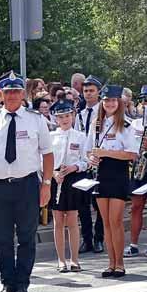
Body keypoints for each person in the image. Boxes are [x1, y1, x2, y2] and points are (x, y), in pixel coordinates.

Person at [0, 71, 54, 292]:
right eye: (7, 92)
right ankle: (7, 283)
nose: (12, 96)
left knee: (27, 236)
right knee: (2, 238)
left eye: (16, 92)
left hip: (27, 185)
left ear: (23, 94)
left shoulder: (35, 119)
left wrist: (46, 184)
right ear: (2, 95)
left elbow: (47, 155)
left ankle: (22, 284)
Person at [86, 84, 138, 278]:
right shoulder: (96, 124)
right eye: (106, 100)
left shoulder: (126, 125)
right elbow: (89, 149)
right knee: (105, 222)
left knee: (115, 221)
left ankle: (120, 264)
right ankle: (110, 263)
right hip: (101, 173)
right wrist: (91, 158)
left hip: (118, 173)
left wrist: (106, 153)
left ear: (119, 103)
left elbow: (132, 154)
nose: (109, 103)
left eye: (113, 100)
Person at [49, 99, 89, 273]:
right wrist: (53, 173)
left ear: (73, 116)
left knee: (72, 220)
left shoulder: (80, 137)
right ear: (56, 119)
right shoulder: (50, 137)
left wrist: (75, 167)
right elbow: (43, 160)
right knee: (58, 221)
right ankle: (60, 259)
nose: (65, 119)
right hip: (56, 178)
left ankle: (74, 259)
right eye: (61, 117)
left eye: (67, 115)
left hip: (73, 178)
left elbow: (87, 161)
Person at [126, 86, 147, 258]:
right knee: (136, 206)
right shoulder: (135, 123)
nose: (144, 103)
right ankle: (133, 244)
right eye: (142, 100)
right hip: (139, 166)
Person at [75, 75, 105, 254]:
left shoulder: (104, 112)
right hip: (83, 163)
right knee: (82, 204)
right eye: (85, 91)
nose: (88, 94)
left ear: (98, 92)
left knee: (99, 202)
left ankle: (98, 237)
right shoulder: (79, 113)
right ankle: (86, 239)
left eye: (91, 90)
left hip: (99, 161)